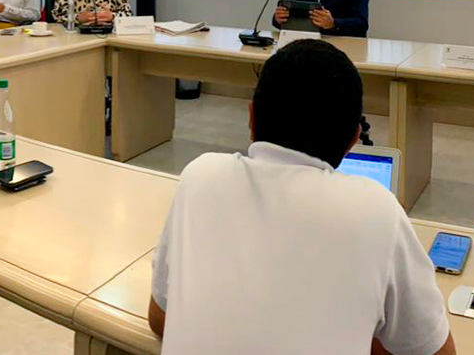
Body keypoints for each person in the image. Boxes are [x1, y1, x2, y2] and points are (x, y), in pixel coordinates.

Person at [149, 39, 455, 355]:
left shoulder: (200, 177)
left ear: (251, 118)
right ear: (353, 140)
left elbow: (160, 317)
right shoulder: (378, 211)